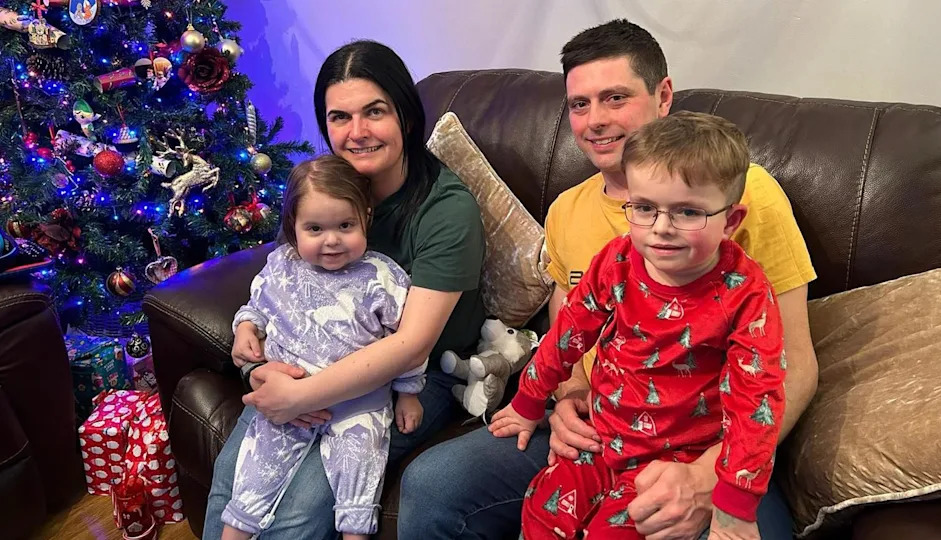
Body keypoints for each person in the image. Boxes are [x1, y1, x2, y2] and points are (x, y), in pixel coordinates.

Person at [399, 19, 817, 540]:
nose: (594, 121)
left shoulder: (742, 193)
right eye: (579, 104)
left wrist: (711, 478)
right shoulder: (567, 212)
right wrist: (566, 398)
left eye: (615, 97)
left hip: (712, 448)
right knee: (435, 483)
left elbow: (793, 366)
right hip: (598, 431)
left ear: (663, 95)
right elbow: (568, 332)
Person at [202, 40, 487, 540]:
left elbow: (411, 344)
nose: (356, 133)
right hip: (310, 357)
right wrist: (255, 358)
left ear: (405, 115)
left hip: (408, 380)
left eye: (374, 112)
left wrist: (298, 396)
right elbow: (282, 285)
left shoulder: (447, 210)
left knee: (297, 514)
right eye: (339, 117)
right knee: (232, 491)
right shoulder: (325, 191)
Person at [492, 111, 785, 539]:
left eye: (688, 212)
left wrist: (736, 503)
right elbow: (569, 333)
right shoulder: (618, 258)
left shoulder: (747, 293)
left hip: (676, 464)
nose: (661, 229)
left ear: (732, 221)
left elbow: (757, 401)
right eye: (645, 208)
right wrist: (528, 402)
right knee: (541, 513)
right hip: (598, 440)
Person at [220, 155, 427, 540]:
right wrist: (246, 326)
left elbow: (409, 342)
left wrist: (408, 394)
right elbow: (258, 304)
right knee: (254, 474)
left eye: (345, 226)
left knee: (360, 473)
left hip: (359, 400)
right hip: (286, 397)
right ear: (293, 227)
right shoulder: (281, 264)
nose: (331, 240)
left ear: (366, 218)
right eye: (314, 228)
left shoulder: (384, 276)